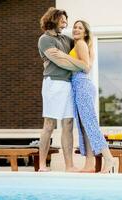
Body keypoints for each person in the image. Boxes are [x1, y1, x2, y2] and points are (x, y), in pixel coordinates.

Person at [52, 20, 114, 173]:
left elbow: (86, 67)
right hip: (78, 86)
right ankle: (89, 164)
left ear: (85, 32)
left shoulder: (80, 44)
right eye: (75, 27)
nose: (76, 29)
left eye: (80, 28)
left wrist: (63, 56)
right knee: (84, 126)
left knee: (89, 124)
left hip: (82, 85)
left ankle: (108, 158)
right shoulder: (80, 44)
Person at [38, 7, 82, 172]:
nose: (65, 24)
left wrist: (73, 59)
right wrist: (81, 65)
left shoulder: (66, 39)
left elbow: (82, 48)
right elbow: (60, 62)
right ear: (53, 19)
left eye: (66, 21)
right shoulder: (44, 39)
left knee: (68, 124)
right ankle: (42, 165)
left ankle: (69, 165)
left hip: (68, 84)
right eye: (62, 20)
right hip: (53, 84)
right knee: (49, 125)